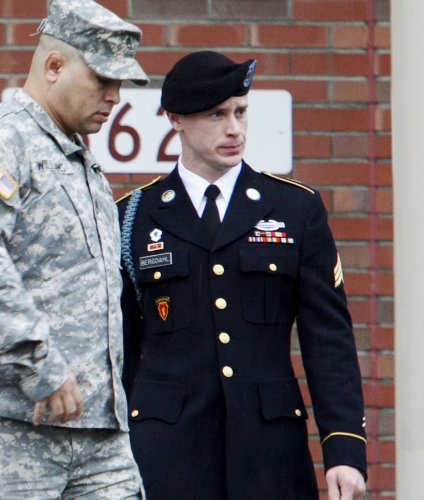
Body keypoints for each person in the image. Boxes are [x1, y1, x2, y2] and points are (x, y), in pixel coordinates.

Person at [0, 0, 149, 497]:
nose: (114, 96)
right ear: (54, 66)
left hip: (95, 434)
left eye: (120, 84)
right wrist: (39, 362)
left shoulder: (79, 160)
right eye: (102, 80)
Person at [118, 50, 367, 499]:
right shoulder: (132, 217)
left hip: (269, 453)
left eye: (240, 111)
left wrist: (344, 448)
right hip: (166, 453)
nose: (234, 128)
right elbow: (117, 351)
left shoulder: (295, 209)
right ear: (175, 119)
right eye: (216, 115)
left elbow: (327, 340)